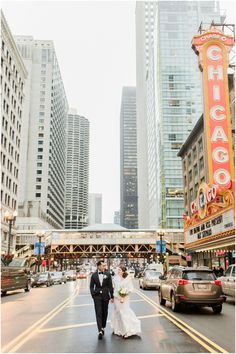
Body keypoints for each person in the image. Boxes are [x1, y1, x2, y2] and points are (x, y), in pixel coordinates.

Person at [110, 266, 141, 338]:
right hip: (117, 298)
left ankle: (127, 331)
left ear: (123, 271)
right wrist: (112, 297)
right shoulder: (115, 279)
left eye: (120, 270)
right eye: (118, 270)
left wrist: (124, 295)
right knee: (118, 313)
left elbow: (130, 289)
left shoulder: (127, 279)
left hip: (125, 299)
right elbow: (114, 288)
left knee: (124, 313)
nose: (118, 271)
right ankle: (118, 330)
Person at [90, 260, 114, 340]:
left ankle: (103, 326)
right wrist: (93, 295)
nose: (104, 267)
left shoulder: (107, 274)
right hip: (97, 297)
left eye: (104, 265)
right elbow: (91, 286)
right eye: (103, 265)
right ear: (99, 266)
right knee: (98, 313)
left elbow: (110, 286)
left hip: (105, 296)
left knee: (105, 312)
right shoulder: (93, 275)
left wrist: (112, 296)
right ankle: (100, 330)